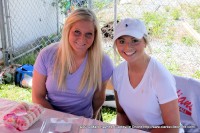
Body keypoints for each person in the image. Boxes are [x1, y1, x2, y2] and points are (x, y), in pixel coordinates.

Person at [32, 8, 114, 119]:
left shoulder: (103, 62)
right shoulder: (46, 55)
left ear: (95, 36)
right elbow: (37, 96)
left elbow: (98, 98)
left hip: (83, 121)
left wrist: (93, 120)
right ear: (67, 30)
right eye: (77, 32)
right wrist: (61, 121)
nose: (82, 39)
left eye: (88, 34)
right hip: (50, 118)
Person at [112, 18, 181, 132]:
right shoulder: (117, 73)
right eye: (122, 41)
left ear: (145, 42)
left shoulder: (160, 77)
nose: (128, 47)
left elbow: (173, 129)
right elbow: (121, 113)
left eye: (134, 40)